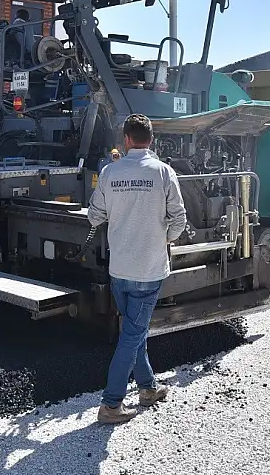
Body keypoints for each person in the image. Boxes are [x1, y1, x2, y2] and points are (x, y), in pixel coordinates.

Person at [87, 114, 187, 424]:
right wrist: (164, 239)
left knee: (134, 330)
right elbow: (180, 219)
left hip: (119, 270)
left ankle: (147, 389)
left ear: (126, 139)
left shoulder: (109, 173)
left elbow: (94, 217)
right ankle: (111, 403)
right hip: (149, 269)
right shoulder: (164, 173)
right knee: (133, 334)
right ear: (151, 140)